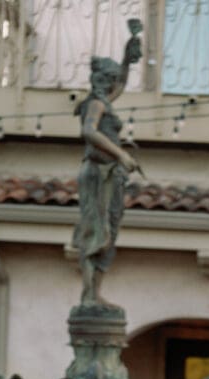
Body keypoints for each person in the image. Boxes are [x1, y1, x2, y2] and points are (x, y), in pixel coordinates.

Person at [73, 24, 143, 308]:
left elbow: (123, 85)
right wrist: (121, 155)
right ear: (102, 79)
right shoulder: (95, 105)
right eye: (112, 78)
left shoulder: (105, 101)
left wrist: (128, 55)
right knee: (96, 229)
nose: (115, 84)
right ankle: (89, 295)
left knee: (109, 230)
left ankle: (95, 293)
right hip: (97, 173)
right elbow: (89, 132)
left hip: (109, 175)